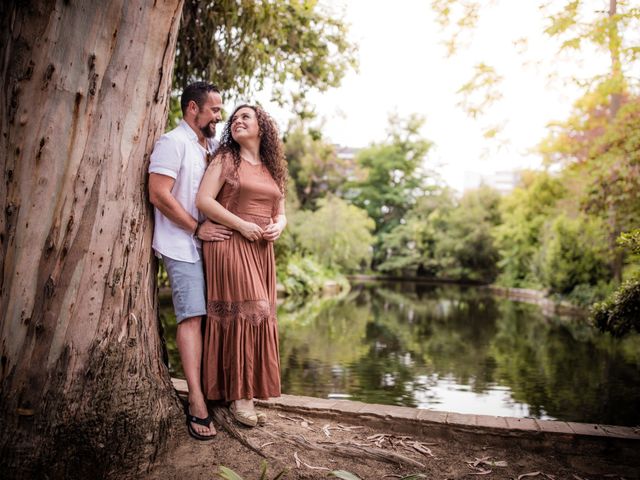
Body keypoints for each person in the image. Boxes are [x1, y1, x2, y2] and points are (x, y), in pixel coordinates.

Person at [148, 82, 232, 440]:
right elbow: (158, 194)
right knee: (192, 317)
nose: (219, 115)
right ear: (192, 109)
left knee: (215, 316)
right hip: (180, 245)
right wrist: (196, 229)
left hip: (209, 248)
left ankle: (216, 389)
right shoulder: (173, 142)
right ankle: (195, 399)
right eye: (214, 109)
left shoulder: (211, 147)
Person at [196, 104, 287, 427]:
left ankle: (236, 389)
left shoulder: (272, 167)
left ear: (262, 126)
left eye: (245, 117)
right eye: (233, 119)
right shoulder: (226, 159)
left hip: (261, 248)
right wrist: (240, 225)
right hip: (230, 242)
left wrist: (280, 225)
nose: (237, 121)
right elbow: (204, 200)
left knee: (257, 314)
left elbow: (280, 208)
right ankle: (241, 399)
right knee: (252, 310)